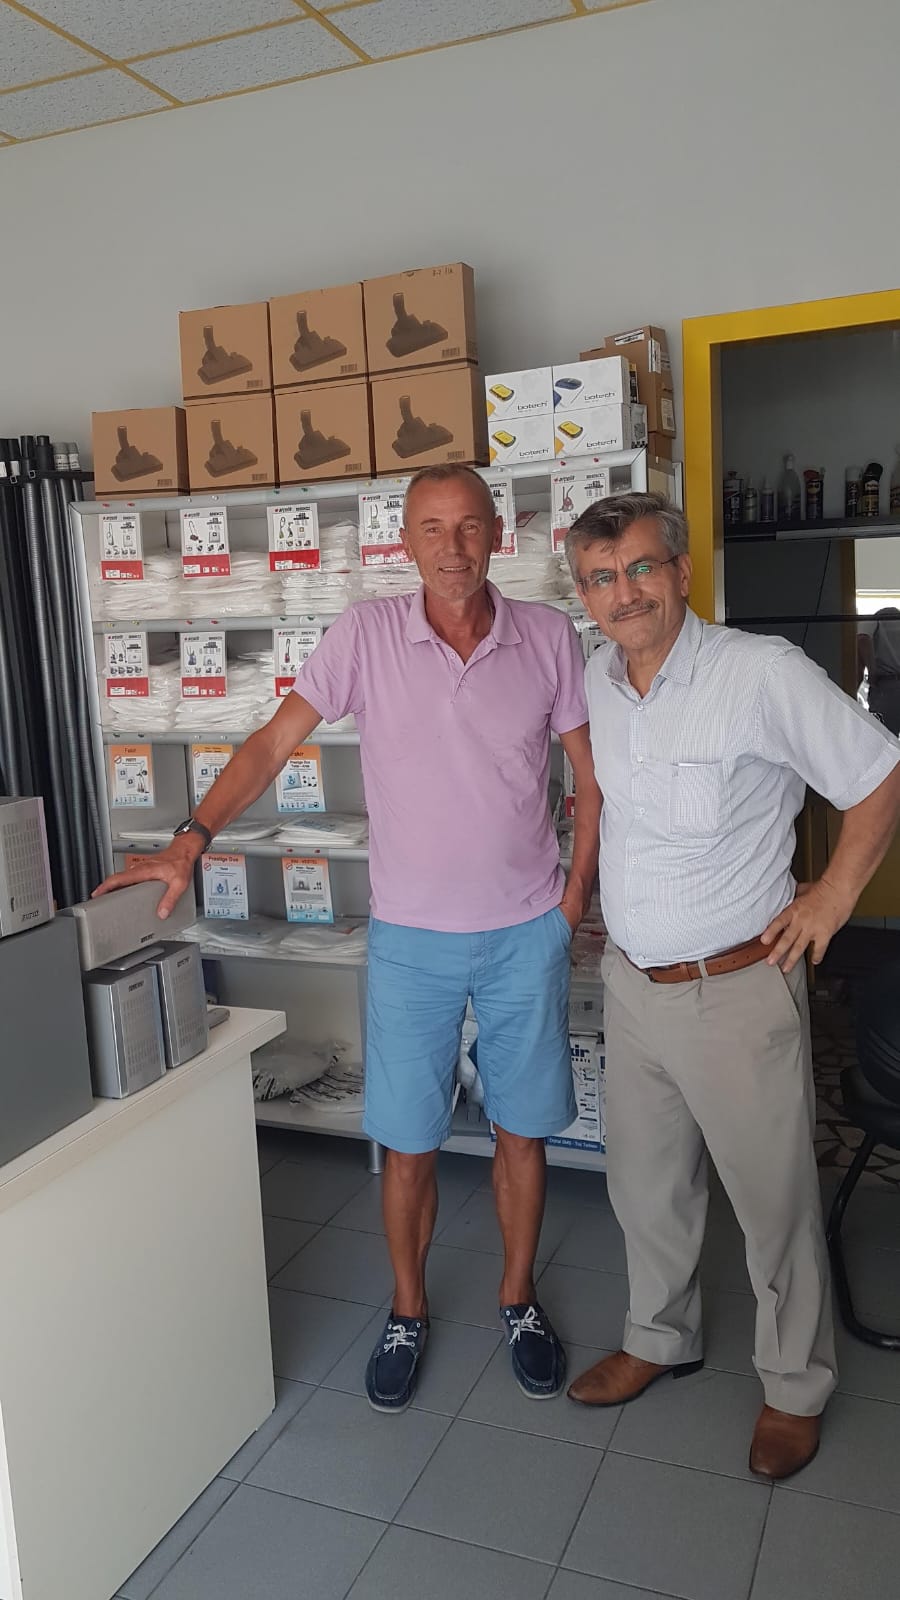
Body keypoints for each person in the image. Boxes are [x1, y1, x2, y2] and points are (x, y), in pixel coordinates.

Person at [95, 463, 601, 1413]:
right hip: (411, 941)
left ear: (499, 534)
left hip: (524, 932)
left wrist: (571, 900)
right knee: (408, 1144)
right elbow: (267, 745)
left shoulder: (547, 637)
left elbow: (588, 772)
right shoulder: (363, 635)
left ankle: (517, 1297)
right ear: (404, 544)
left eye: (469, 526)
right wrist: (191, 840)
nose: (452, 547)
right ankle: (407, 1310)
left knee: (522, 1133)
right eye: (432, 528)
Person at [563, 491, 900, 1480]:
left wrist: (833, 895)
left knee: (773, 1202)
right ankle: (658, 1335)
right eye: (600, 578)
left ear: (680, 571)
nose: (623, 592)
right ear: (585, 595)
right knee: (645, 1185)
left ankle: (795, 1385)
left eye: (640, 567)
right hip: (634, 986)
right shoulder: (596, 680)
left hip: (738, 990)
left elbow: (880, 775)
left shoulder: (760, 673)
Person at [858, 606, 900, 734]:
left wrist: (872, 671)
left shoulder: (875, 620)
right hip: (890, 685)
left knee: (884, 736)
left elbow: (862, 638)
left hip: (886, 687)